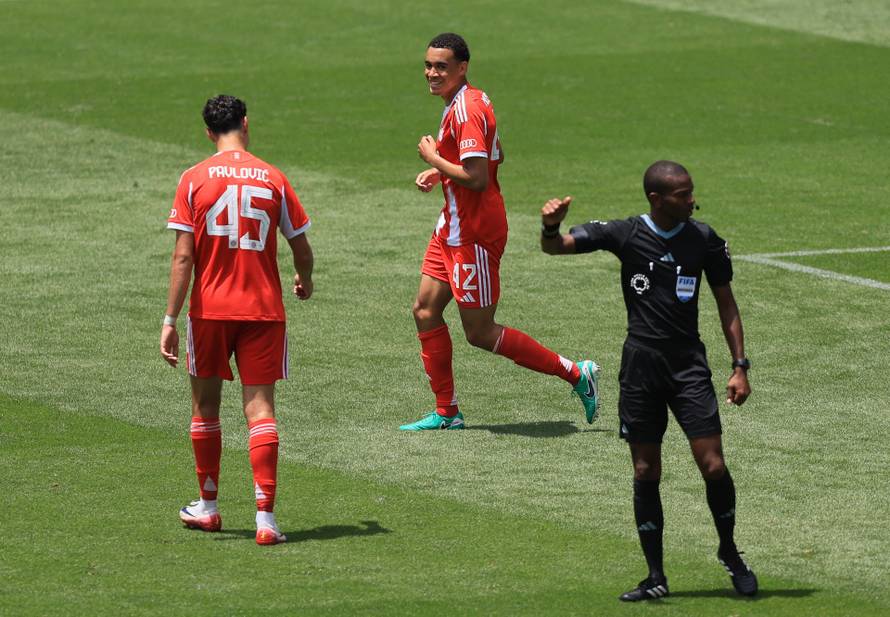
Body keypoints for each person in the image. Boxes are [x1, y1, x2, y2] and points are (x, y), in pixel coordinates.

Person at [540, 161, 757, 600]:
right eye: (682, 195)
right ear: (657, 199)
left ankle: (730, 553)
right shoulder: (626, 234)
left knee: (713, 464)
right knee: (645, 469)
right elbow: (558, 247)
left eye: (691, 192)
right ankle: (655, 576)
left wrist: (740, 366)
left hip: (688, 366)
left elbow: (726, 304)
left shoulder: (705, 240)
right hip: (640, 367)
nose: (691, 200)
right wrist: (550, 228)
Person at [399, 33, 600, 431]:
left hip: (473, 234)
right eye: (428, 65)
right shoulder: (468, 101)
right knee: (424, 309)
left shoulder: (466, 110)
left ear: (462, 68)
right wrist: (440, 169)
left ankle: (577, 373)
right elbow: (496, 154)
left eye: (441, 66)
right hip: (451, 226)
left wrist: (434, 157)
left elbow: (476, 178)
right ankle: (446, 412)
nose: (432, 73)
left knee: (480, 331)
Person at [160, 94, 314, 546]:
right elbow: (302, 250)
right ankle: (266, 520)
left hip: (209, 310)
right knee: (260, 410)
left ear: (209, 132)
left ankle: (207, 507)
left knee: (205, 407)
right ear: (246, 123)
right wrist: (304, 280)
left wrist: (170, 317)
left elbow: (184, 256)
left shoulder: (193, 179)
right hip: (264, 310)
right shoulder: (274, 178)